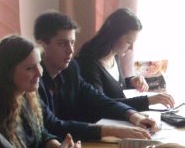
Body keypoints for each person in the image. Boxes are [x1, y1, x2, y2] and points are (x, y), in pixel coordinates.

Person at [34, 11, 158, 141]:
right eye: (62, 44)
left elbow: (97, 99)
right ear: (42, 46)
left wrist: (133, 115)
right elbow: (53, 126)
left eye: (72, 42)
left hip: (74, 143)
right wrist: (112, 130)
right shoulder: (34, 80)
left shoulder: (71, 68)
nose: (70, 50)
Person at [0, 34, 81, 148]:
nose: (40, 73)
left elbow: (40, 135)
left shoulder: (26, 94)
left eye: (39, 64)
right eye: (30, 68)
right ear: (7, 72)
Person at [74, 8, 175, 110]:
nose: (131, 48)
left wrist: (131, 81)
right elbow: (101, 104)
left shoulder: (114, 55)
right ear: (113, 36)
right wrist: (147, 100)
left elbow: (112, 88)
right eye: (129, 42)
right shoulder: (88, 64)